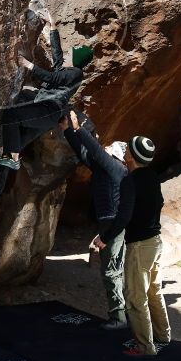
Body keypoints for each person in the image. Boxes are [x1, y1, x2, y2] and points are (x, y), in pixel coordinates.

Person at [59, 110, 133, 330]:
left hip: (114, 225)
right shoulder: (103, 170)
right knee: (111, 270)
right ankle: (121, 314)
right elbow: (85, 155)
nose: (105, 151)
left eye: (109, 150)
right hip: (107, 222)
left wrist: (78, 129)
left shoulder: (117, 169)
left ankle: (119, 318)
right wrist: (67, 131)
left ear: (116, 156)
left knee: (112, 270)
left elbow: (95, 151)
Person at [0, 18, 93, 171]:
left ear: (76, 61)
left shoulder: (76, 73)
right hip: (47, 113)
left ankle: (11, 157)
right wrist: (53, 28)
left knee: (11, 116)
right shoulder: (65, 71)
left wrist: (29, 65)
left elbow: (52, 78)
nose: (66, 55)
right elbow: (57, 52)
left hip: (49, 109)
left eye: (70, 54)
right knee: (15, 140)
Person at [120, 135, 171, 357]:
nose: (124, 152)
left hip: (139, 245)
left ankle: (144, 347)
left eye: (127, 150)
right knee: (154, 291)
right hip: (155, 241)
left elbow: (124, 215)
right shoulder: (152, 176)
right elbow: (158, 203)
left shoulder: (131, 181)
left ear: (131, 156)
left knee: (135, 296)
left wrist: (105, 236)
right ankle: (163, 335)